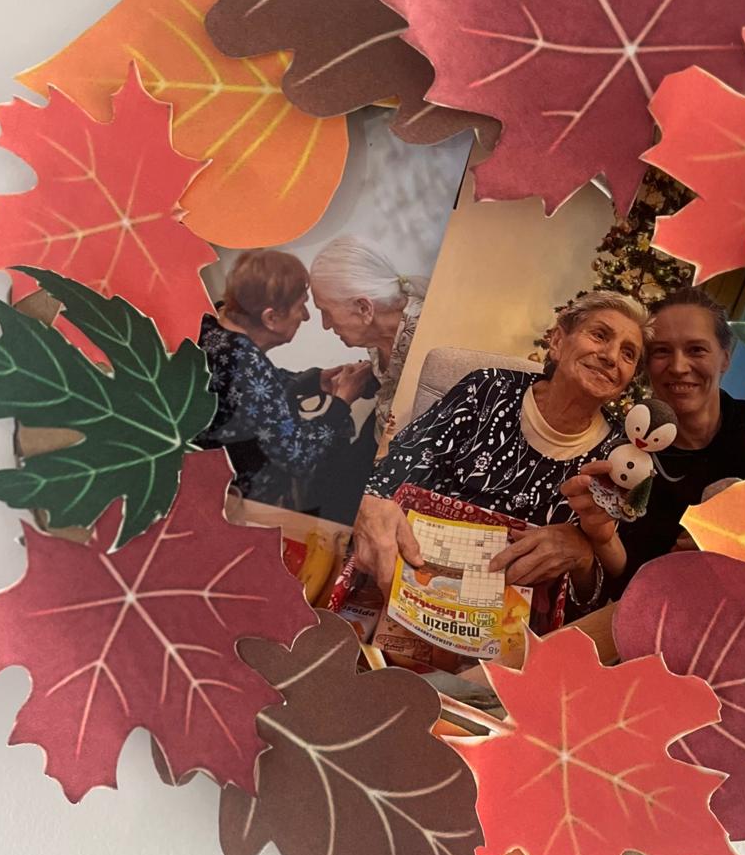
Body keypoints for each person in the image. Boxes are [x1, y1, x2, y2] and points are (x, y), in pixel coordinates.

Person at [349, 291, 650, 601]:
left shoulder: (620, 455)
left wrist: (584, 556)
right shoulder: (488, 390)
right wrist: (369, 503)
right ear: (558, 342)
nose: (611, 356)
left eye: (628, 354)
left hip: (517, 612)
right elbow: (392, 476)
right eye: (599, 335)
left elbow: (599, 592)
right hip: (418, 572)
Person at [562, 286, 745, 588]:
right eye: (662, 351)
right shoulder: (625, 457)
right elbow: (624, 579)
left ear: (724, 358)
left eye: (696, 349)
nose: (678, 367)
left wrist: (743, 544)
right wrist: (603, 539)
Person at [199, 249, 371, 508]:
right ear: (271, 317)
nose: (306, 315)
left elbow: (248, 395)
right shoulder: (247, 367)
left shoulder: (213, 322)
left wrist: (313, 381)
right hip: (235, 502)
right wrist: (341, 403)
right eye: (301, 305)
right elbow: (299, 457)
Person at [308, 236, 429, 445]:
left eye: (326, 312)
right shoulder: (375, 340)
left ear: (364, 308)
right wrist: (365, 380)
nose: (325, 324)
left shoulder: (425, 341)